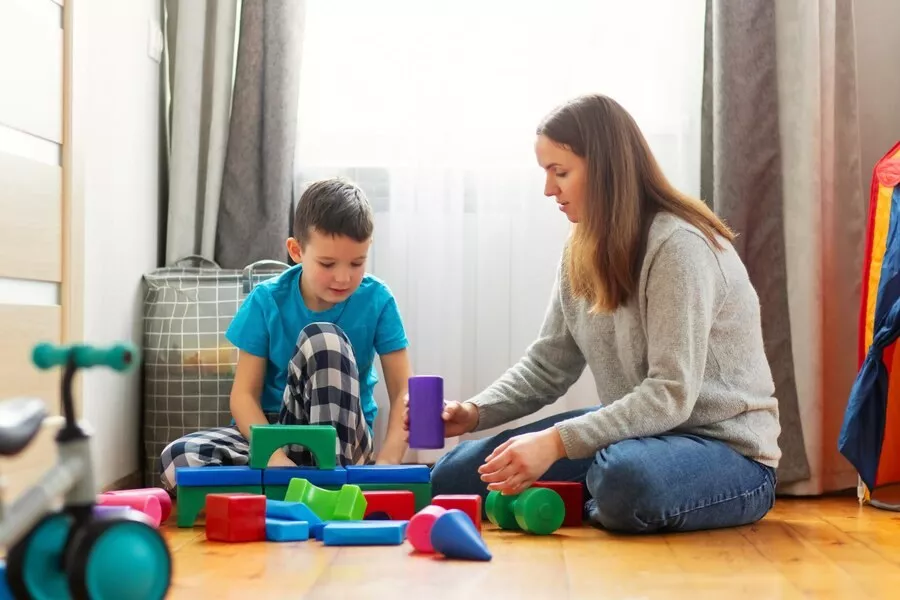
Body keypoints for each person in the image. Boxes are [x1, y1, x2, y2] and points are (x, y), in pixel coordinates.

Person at [427, 94, 781, 534]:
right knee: (454, 476)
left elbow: (670, 393)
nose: (548, 189)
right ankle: (594, 501)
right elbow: (548, 365)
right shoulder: (581, 247)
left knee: (621, 479)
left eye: (560, 172)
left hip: (726, 452)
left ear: (607, 169)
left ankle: (597, 499)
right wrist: (474, 412)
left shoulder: (678, 247)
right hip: (640, 437)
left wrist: (556, 443)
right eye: (546, 173)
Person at [160, 178, 412, 491]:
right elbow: (244, 395)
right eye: (327, 263)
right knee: (179, 458)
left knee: (324, 340)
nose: (344, 276)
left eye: (357, 263)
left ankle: (318, 481)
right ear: (296, 251)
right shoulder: (267, 300)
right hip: (272, 433)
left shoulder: (378, 300)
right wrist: (274, 455)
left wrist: (389, 460)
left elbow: (404, 391)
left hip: (342, 436)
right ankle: (290, 481)